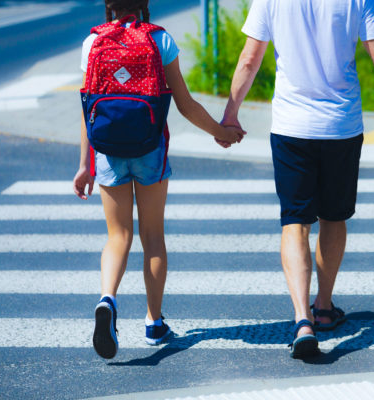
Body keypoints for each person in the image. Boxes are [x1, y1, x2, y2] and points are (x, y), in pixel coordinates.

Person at [221, 0, 374, 358]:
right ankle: (325, 307)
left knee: (295, 222)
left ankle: (302, 320)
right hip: (340, 126)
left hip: (291, 127)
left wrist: (230, 114)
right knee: (333, 217)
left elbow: (250, 59)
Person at [72, 0, 244, 359]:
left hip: (107, 148)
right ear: (144, 3)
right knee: (152, 236)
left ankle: (107, 299)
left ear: (109, 5)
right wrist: (221, 131)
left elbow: (89, 107)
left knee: (118, 236)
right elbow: (184, 104)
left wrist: (85, 164)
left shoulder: (92, 43)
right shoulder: (159, 39)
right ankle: (153, 322)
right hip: (150, 147)